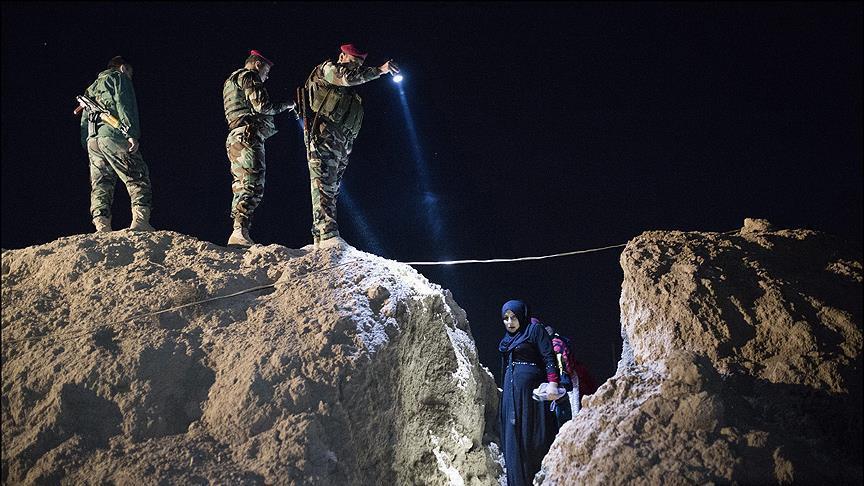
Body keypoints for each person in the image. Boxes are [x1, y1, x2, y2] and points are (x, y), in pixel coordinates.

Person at [301, 43, 399, 248]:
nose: (356, 67)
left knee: (333, 187)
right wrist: (379, 70)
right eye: (353, 62)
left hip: (341, 140)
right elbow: (346, 77)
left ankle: (321, 237)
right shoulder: (327, 69)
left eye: (360, 64)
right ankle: (327, 233)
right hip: (325, 134)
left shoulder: (349, 90)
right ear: (342, 56)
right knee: (324, 182)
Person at [222, 49, 296, 247]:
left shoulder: (231, 81)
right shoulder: (249, 76)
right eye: (266, 71)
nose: (266, 76)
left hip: (234, 136)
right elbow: (262, 106)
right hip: (248, 135)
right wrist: (287, 105)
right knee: (253, 183)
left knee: (240, 184)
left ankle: (238, 231)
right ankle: (240, 231)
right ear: (257, 65)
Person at [79, 56, 154, 232]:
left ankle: (101, 226)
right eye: (130, 73)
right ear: (123, 68)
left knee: (101, 183)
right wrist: (131, 134)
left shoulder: (91, 88)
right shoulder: (118, 78)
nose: (130, 77)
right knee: (137, 175)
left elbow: (84, 118)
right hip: (114, 135)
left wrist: (87, 142)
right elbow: (125, 104)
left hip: (93, 140)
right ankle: (141, 222)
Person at [498, 300, 562, 486]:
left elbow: (548, 356)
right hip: (511, 392)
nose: (510, 322)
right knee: (513, 436)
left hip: (531, 394)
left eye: (514, 317)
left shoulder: (534, 330)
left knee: (532, 435)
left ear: (522, 316)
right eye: (506, 318)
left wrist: (552, 383)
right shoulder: (506, 340)